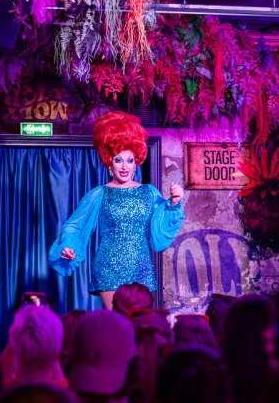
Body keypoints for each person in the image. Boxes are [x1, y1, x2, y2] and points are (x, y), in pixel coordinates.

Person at [48, 111, 184, 310]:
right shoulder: (99, 194)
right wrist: (68, 245)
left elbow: (161, 227)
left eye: (129, 160)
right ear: (109, 162)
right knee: (116, 324)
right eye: (118, 160)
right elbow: (75, 225)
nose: (124, 166)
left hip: (141, 268)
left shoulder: (149, 192)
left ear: (136, 163)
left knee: (140, 324)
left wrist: (174, 203)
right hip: (108, 268)